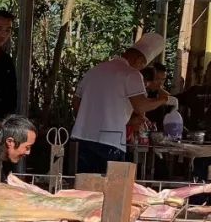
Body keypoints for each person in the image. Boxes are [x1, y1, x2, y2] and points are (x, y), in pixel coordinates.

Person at [71, 33, 169, 174]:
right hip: (111, 140)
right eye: (143, 64)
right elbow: (141, 106)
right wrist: (163, 99)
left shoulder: (94, 70)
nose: (141, 69)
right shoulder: (131, 74)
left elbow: (76, 103)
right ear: (140, 59)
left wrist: (92, 121)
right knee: (112, 190)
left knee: (85, 188)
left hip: (82, 137)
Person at [141, 62, 170, 129]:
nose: (161, 82)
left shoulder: (160, 92)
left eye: (163, 79)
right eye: (157, 79)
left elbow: (172, 100)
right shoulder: (141, 92)